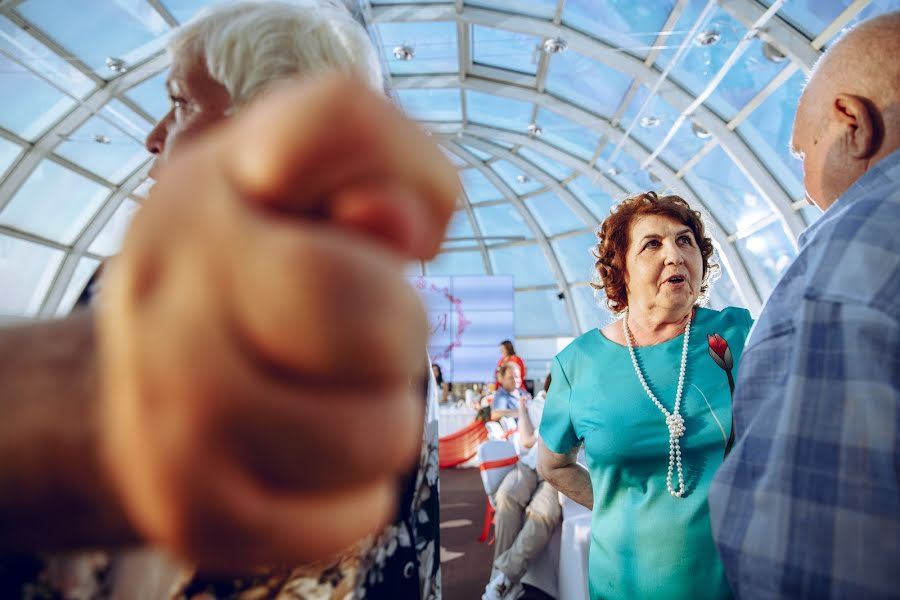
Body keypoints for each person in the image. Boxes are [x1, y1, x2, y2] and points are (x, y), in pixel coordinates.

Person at [0, 1, 456, 597]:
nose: (153, 137)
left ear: (269, 125)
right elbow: (413, 559)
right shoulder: (386, 331)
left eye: (181, 103)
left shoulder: (136, 290)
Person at [708, 12, 900, 598]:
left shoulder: (854, 254)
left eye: (801, 154)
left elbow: (813, 555)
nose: (807, 185)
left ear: (853, 124)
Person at [537, 192, 753, 599]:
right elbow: (553, 466)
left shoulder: (738, 335)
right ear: (621, 270)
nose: (674, 254)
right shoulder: (577, 363)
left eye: (685, 240)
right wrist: (616, 509)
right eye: (652, 244)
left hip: (734, 579)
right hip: (624, 583)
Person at [482, 370, 558, 600]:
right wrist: (524, 410)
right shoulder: (537, 403)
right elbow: (525, 440)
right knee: (505, 497)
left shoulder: (580, 406)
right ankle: (503, 583)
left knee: (542, 514)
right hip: (528, 464)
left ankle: (502, 580)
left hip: (555, 472)